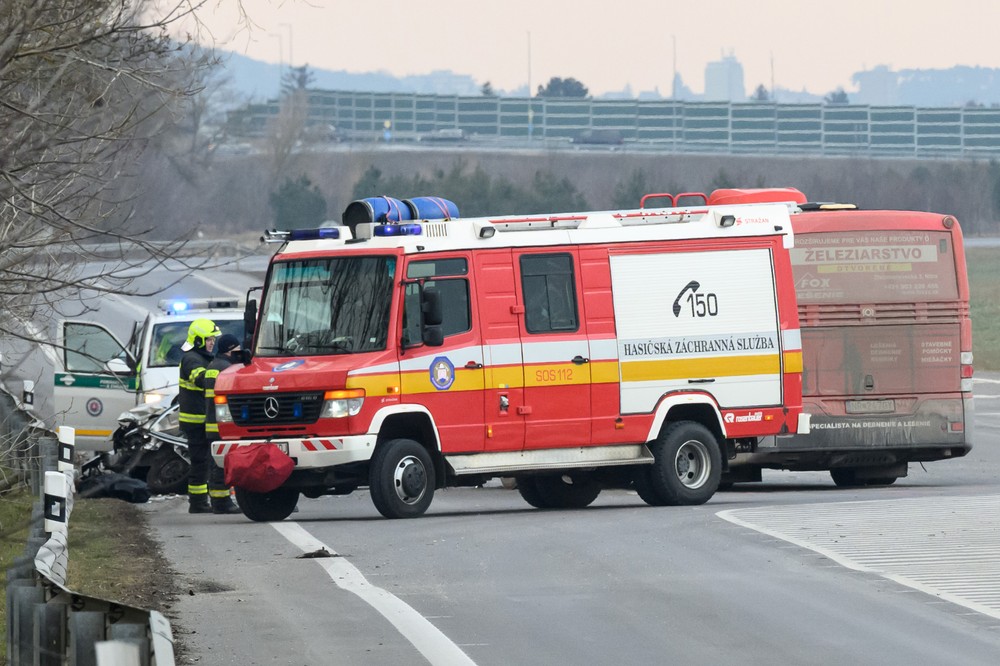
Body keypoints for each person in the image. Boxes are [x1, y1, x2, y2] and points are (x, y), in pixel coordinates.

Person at [178, 318, 224, 514]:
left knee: (205, 462)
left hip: (202, 419)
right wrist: (221, 371)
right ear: (198, 340)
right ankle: (197, 502)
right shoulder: (191, 359)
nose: (212, 343)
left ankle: (200, 501)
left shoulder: (203, 358)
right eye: (209, 339)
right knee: (200, 462)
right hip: (195, 420)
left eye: (213, 339)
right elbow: (201, 379)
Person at [203, 333, 242, 514]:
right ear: (229, 350)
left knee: (216, 463)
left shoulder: (213, 366)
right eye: (237, 349)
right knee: (220, 465)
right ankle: (221, 502)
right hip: (222, 424)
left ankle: (219, 501)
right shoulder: (226, 369)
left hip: (213, 423)